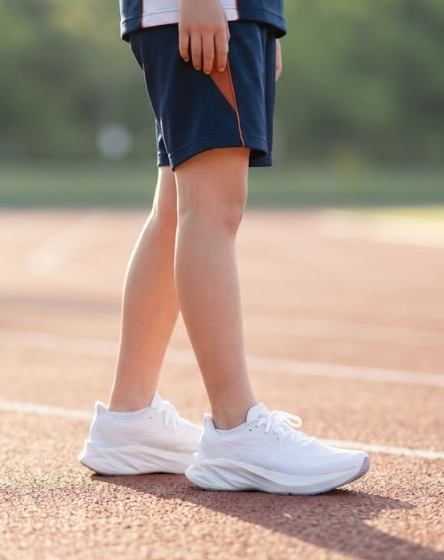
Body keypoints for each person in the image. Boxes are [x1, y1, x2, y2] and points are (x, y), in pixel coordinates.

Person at [78, 0, 370, 494]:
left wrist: (266, 24)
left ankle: (128, 419)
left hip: (227, 14)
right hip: (208, 11)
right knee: (213, 210)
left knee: (177, 209)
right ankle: (237, 429)